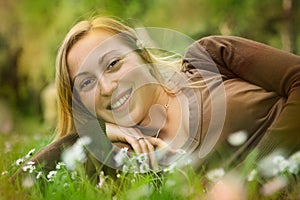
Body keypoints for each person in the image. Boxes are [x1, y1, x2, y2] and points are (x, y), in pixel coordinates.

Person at [12, 16, 300, 182]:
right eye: (86, 82)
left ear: (141, 54)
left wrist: (259, 173)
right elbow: (19, 186)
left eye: (113, 63)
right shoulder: (129, 161)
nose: (107, 86)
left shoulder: (208, 57)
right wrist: (99, 131)